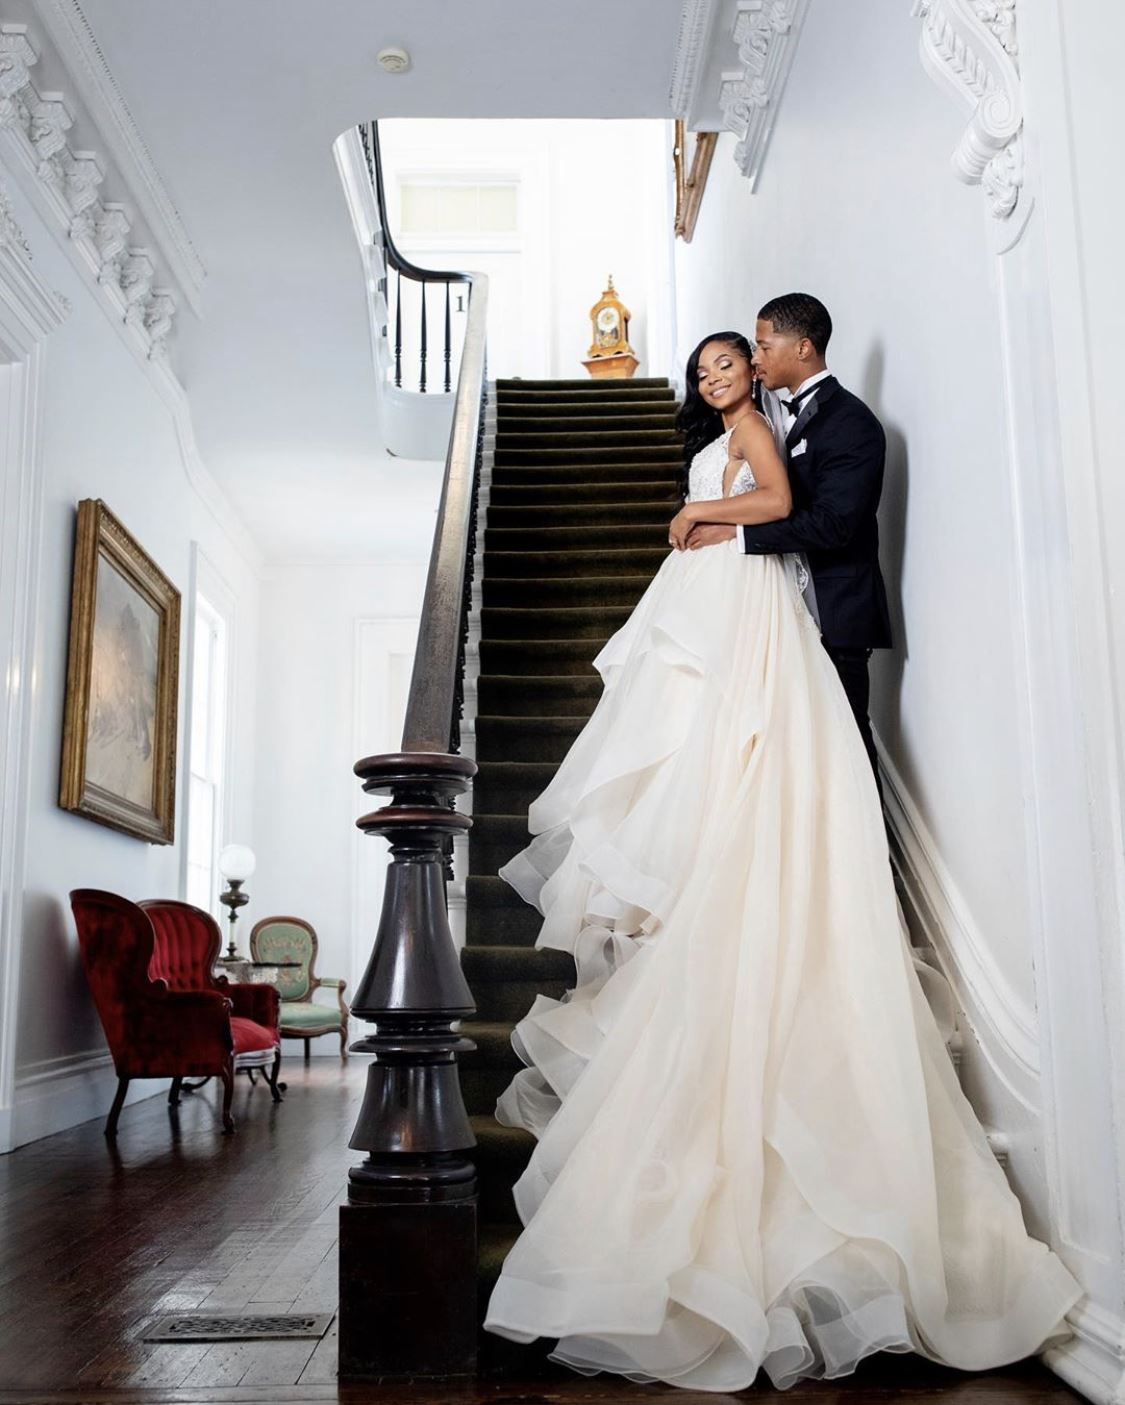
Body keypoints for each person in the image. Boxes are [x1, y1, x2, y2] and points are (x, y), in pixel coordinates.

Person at [482, 328, 1081, 1391]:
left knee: (757, 753)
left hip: (754, 612)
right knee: (705, 763)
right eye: (707, 369)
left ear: (763, 369)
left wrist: (703, 510)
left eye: (733, 362)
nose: (719, 377)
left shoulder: (756, 430)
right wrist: (703, 510)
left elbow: (775, 507)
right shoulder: (735, 426)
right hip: (717, 606)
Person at [685, 294, 890, 787]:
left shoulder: (851, 423)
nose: (755, 358)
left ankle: (868, 854)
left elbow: (833, 524)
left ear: (802, 348)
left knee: (845, 740)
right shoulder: (773, 412)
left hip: (834, 606)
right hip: (779, 605)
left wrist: (734, 533)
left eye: (761, 346)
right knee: (790, 745)